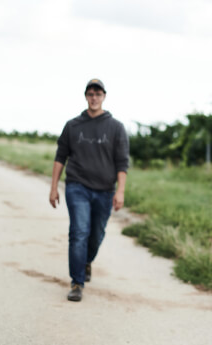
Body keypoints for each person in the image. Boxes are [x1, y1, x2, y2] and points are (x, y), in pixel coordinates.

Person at [48, 78, 129, 302]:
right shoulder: (73, 125)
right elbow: (60, 157)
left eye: (98, 94)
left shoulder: (116, 127)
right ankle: (76, 282)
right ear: (86, 96)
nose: (94, 98)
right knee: (79, 232)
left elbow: (122, 163)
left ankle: (85, 262)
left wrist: (120, 191)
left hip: (104, 190)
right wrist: (54, 187)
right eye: (90, 94)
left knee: (96, 235)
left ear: (104, 97)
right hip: (77, 187)